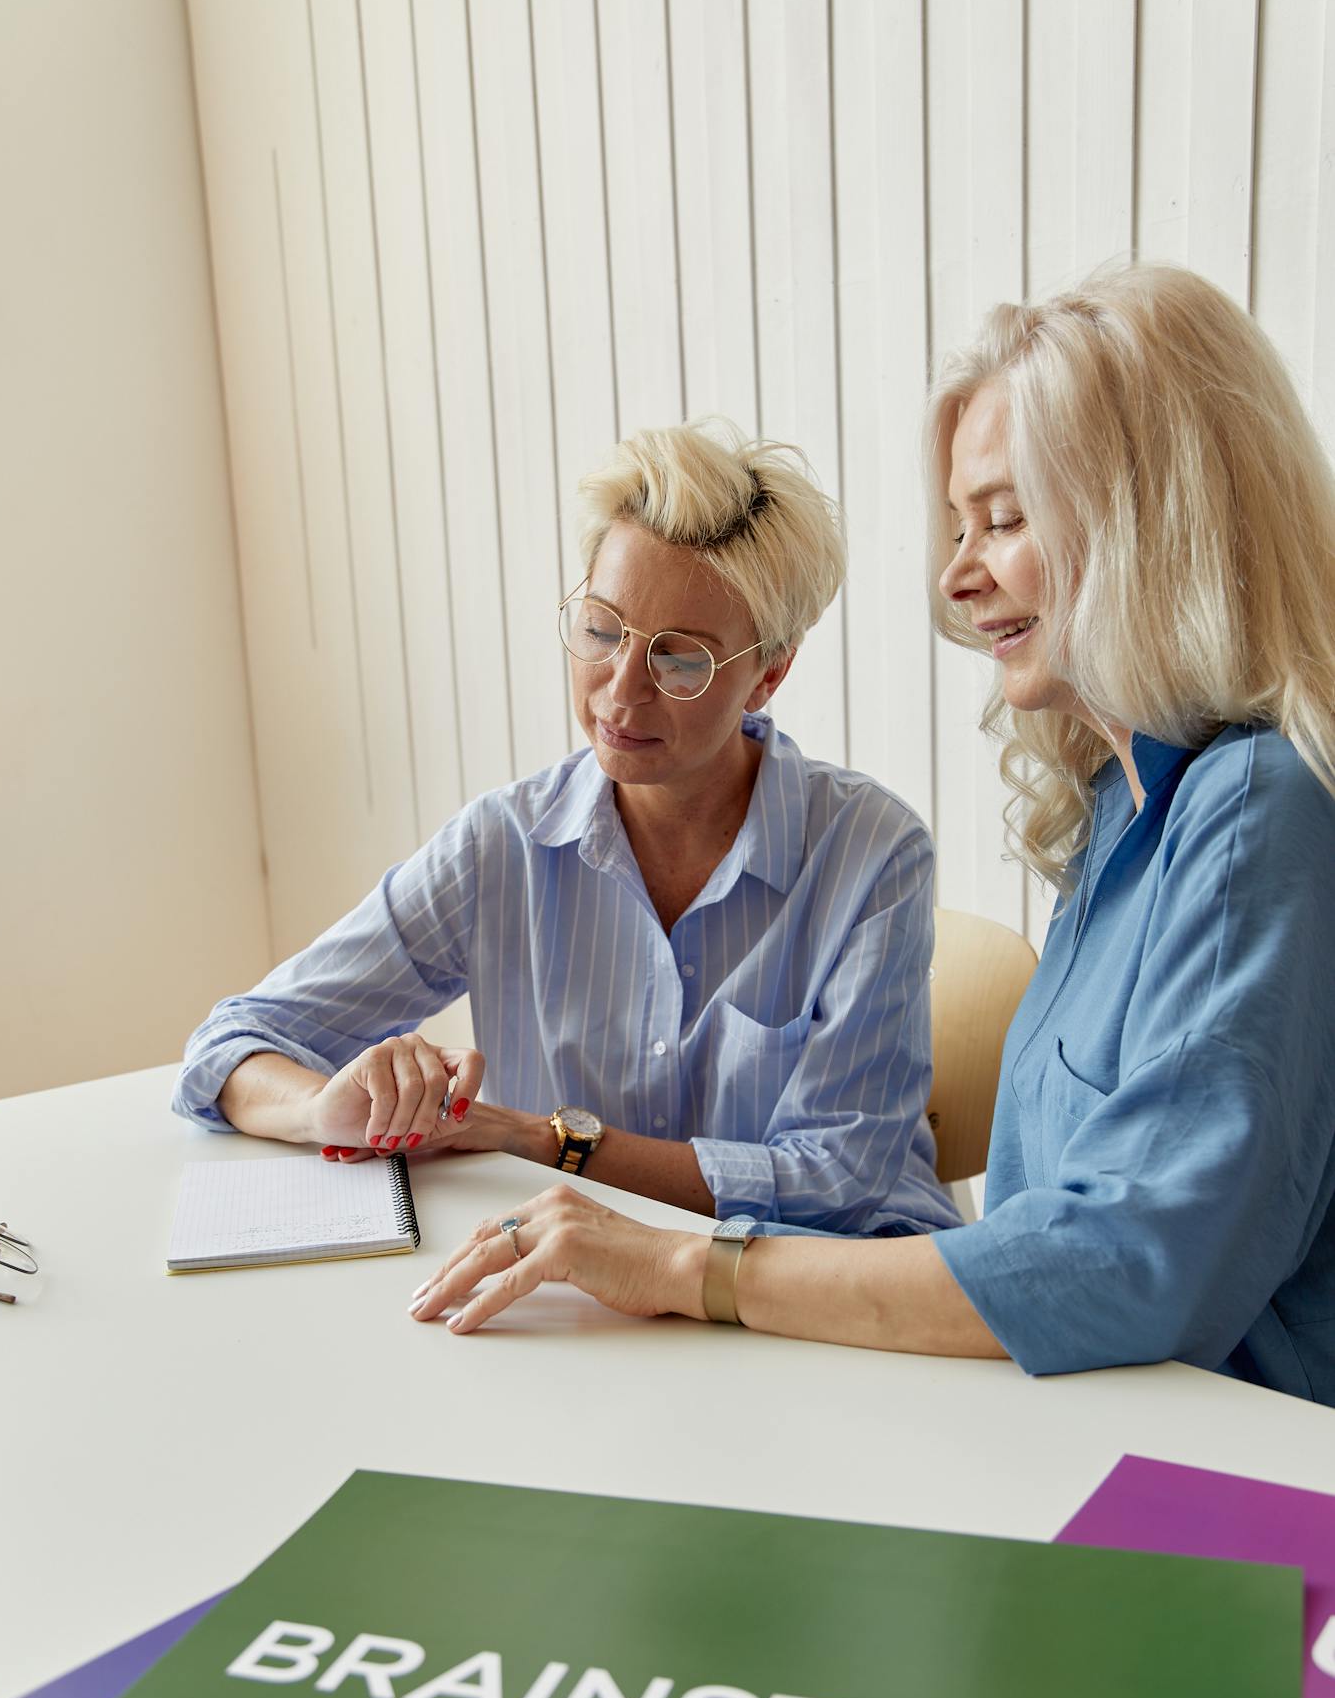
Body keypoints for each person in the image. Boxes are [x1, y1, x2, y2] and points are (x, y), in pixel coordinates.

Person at [411, 266, 1335, 1408]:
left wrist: (680, 1264)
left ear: (1152, 518)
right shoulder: (1124, 808)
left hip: (1226, 1472)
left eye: (1002, 519)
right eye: (958, 525)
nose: (955, 576)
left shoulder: (1260, 808)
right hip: (1074, 1420)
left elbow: (1130, 1265)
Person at [175, 420, 956, 1239]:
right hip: (590, 1302)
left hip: (823, 1294)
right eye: (600, 630)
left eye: (679, 658)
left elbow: (835, 1182)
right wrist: (322, 1109)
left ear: (768, 673)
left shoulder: (871, 852)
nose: (620, 691)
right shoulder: (502, 844)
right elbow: (231, 1043)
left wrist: (539, 1141)